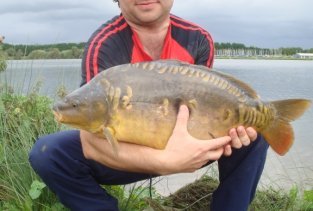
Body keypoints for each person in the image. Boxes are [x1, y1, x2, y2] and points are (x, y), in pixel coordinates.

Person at [29, 0, 269, 210]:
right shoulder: (103, 45)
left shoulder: (198, 39)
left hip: (191, 145)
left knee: (255, 129)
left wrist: (234, 130)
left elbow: (211, 105)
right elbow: (92, 143)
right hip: (126, 154)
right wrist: (166, 160)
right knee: (48, 153)